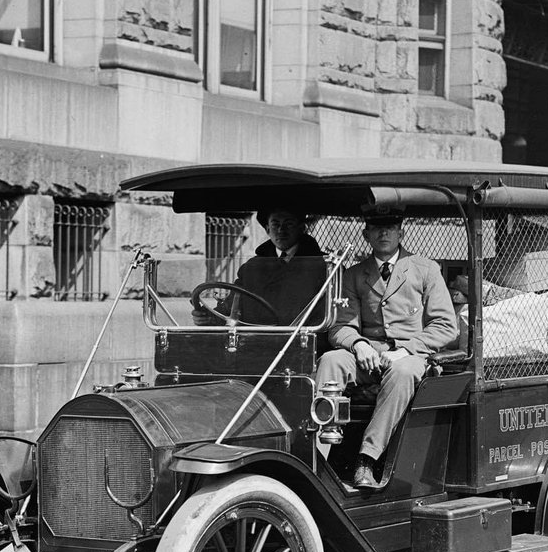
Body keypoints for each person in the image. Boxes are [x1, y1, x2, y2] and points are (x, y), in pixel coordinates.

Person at [316, 210, 458, 490]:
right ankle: (315, 455)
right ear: (365, 234)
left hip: (412, 357)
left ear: (401, 234)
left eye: (390, 228)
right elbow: (340, 326)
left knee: (403, 372)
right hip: (368, 355)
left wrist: (405, 350)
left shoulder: (425, 269)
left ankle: (367, 459)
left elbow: (446, 326)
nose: (384, 234)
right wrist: (358, 344)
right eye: (377, 228)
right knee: (332, 360)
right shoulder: (354, 274)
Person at [192, 208, 326, 326]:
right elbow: (230, 308)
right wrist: (209, 318)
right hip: (253, 342)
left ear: (301, 228)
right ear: (267, 229)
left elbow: (324, 317)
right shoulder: (251, 268)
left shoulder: (322, 266)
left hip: (300, 342)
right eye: (275, 224)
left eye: (288, 224)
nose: (281, 230)